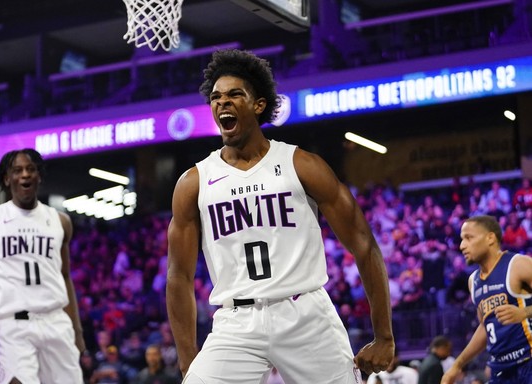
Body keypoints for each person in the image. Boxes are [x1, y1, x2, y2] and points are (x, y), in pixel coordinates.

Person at [166, 48, 394, 383]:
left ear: (259, 105)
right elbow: (179, 277)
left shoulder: (301, 165)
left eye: (234, 95)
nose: (222, 103)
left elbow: (364, 244)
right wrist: (188, 363)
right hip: (236, 321)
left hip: (306, 314)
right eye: (215, 97)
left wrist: (384, 336)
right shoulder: (193, 182)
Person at [0, 148, 85, 383]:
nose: (25, 175)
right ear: (6, 178)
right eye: (17, 170)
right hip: (13, 322)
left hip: (55, 320)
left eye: (31, 169)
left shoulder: (60, 221)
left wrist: (77, 330)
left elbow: (65, 275)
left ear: (39, 176)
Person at [442, 215, 532, 384]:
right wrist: (457, 365)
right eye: (462, 240)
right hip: (501, 369)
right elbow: (484, 326)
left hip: (528, 362)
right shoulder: (473, 281)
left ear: (490, 238)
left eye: (469, 238)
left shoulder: (518, 265)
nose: (462, 246)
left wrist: (524, 313)